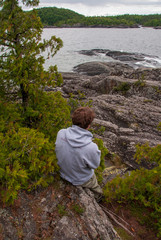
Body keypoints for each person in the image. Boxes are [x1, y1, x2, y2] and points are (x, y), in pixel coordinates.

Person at [55, 106, 103, 196]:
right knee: (96, 186)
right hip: (79, 179)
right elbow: (95, 165)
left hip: (62, 172)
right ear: (88, 125)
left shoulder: (61, 133)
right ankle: (98, 196)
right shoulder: (91, 147)